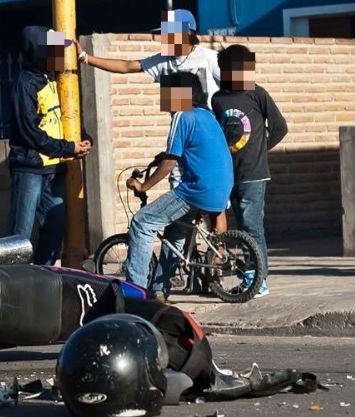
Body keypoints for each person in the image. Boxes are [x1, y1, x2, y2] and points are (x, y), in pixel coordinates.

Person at [74, 9, 221, 300]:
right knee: (178, 226)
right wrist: (86, 59)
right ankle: (160, 288)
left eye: (170, 34)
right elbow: (129, 65)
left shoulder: (208, 59)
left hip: (204, 147)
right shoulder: (165, 62)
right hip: (191, 150)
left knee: (150, 221)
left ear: (187, 34)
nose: (165, 39)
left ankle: (136, 291)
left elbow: (236, 87)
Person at [124, 72, 232, 291]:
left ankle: (133, 291)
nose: (162, 98)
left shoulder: (182, 116)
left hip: (196, 190)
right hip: (222, 187)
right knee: (175, 231)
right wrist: (162, 157)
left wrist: (144, 186)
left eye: (165, 93)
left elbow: (171, 162)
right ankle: (159, 291)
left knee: (142, 223)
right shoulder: (206, 115)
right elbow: (188, 149)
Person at [7, 25, 92, 265]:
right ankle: (13, 283)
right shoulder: (25, 84)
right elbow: (30, 133)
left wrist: (83, 138)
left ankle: (42, 276)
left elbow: (63, 117)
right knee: (20, 234)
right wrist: (68, 148)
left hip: (54, 168)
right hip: (30, 167)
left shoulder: (55, 79)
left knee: (55, 227)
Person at [211, 45, 288, 298]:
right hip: (229, 172)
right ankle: (252, 276)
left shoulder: (257, 94)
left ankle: (259, 279)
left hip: (254, 173)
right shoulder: (219, 99)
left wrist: (259, 151)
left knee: (252, 226)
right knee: (242, 228)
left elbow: (279, 128)